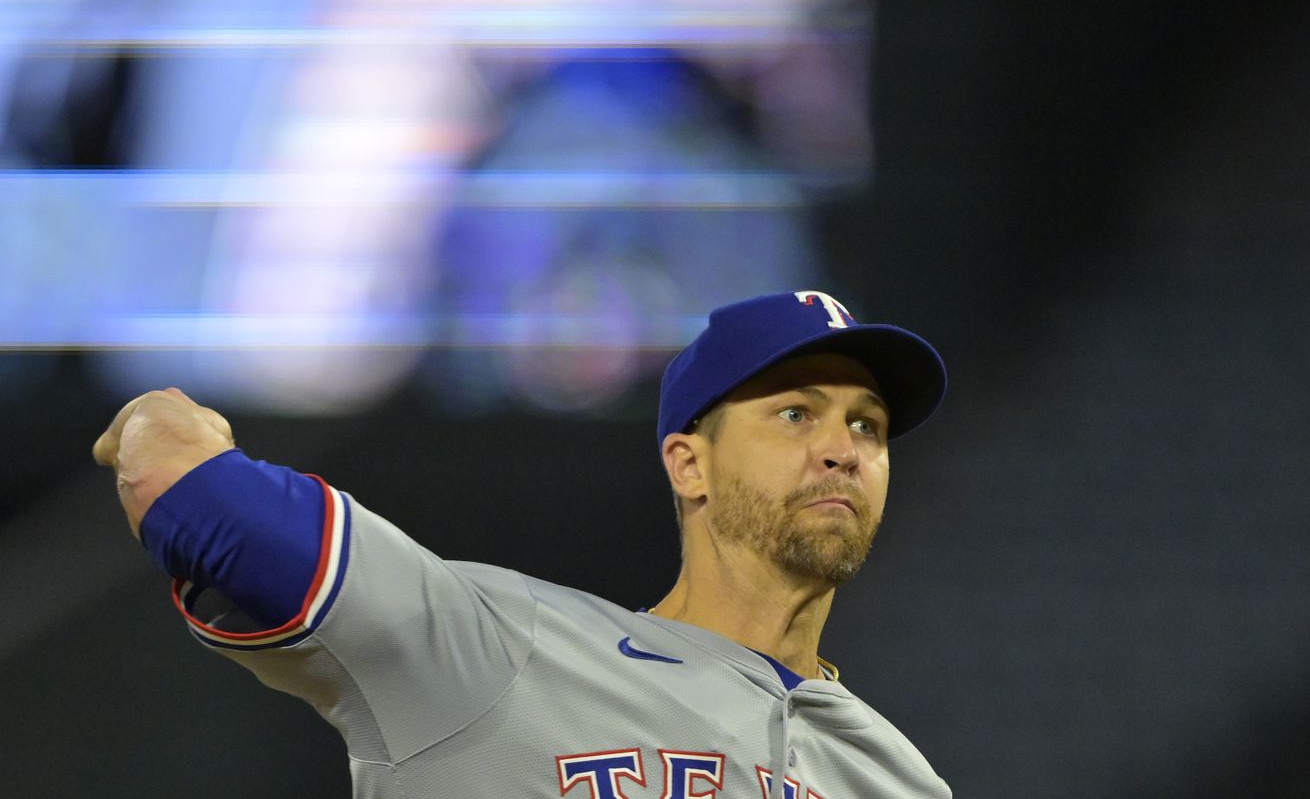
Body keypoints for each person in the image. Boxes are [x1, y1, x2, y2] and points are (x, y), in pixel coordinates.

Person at [93, 290, 952, 799]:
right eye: (796, 412)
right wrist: (155, 420)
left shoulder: (897, 776)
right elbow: (191, 489)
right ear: (690, 463)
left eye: (868, 424)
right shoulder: (501, 645)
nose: (843, 447)